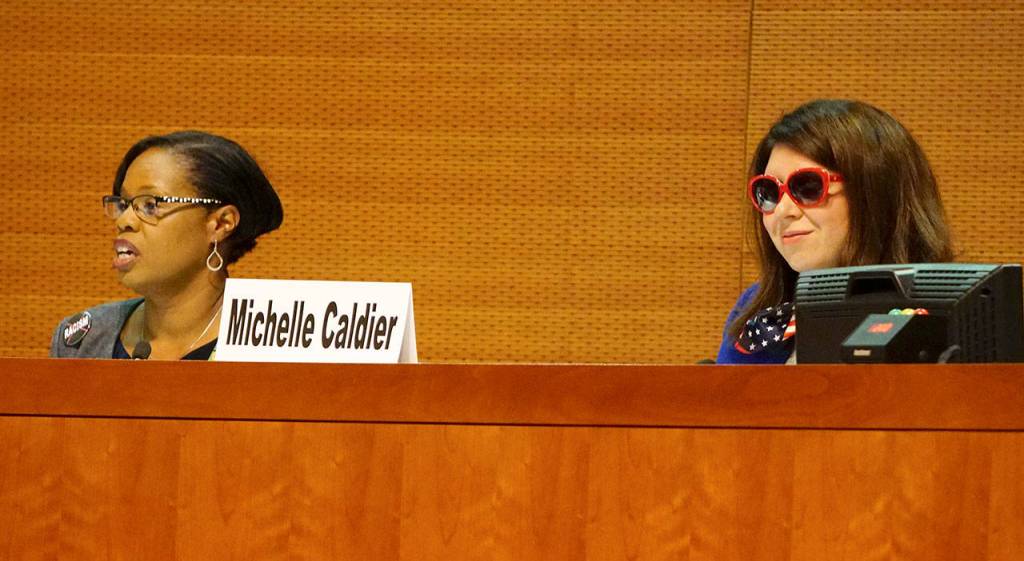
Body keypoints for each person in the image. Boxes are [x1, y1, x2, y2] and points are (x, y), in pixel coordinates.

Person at [717, 99, 954, 364]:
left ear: (875, 194)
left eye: (807, 187)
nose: (783, 211)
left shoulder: (952, 316)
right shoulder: (757, 311)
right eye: (769, 193)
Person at [50, 131, 284, 360]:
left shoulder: (275, 340)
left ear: (221, 224)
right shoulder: (82, 341)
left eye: (151, 205)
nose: (124, 221)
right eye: (124, 204)